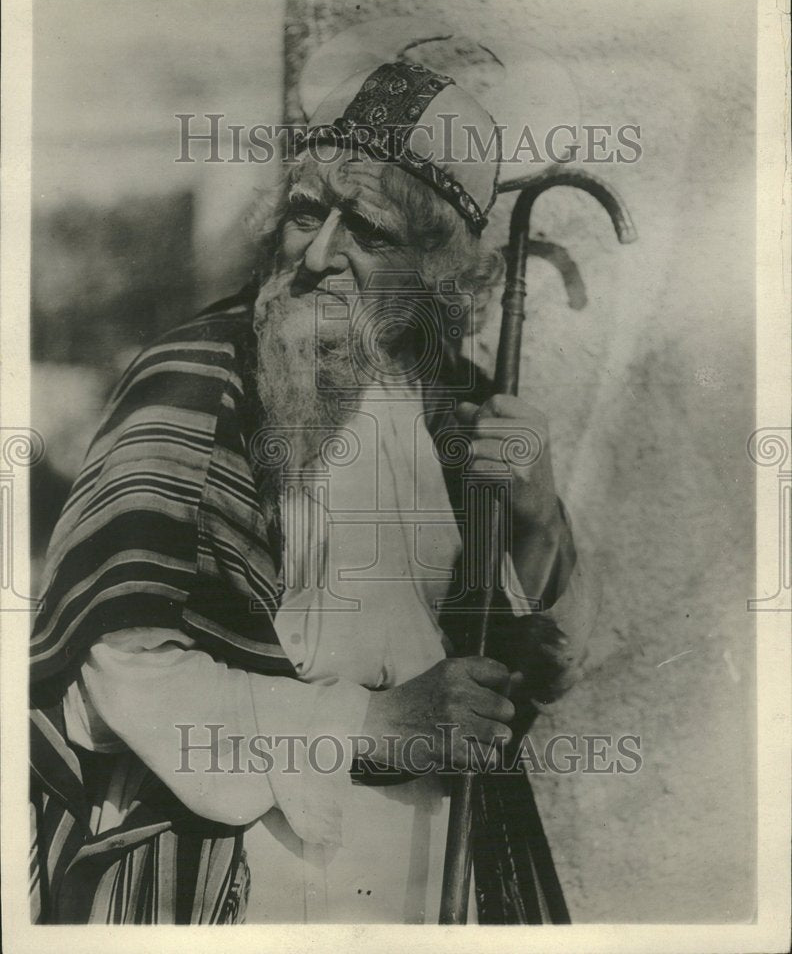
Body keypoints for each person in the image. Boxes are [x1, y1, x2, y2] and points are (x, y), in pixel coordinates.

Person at [29, 59, 593, 924]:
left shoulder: (463, 405)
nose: (319, 255)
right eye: (304, 214)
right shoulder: (196, 379)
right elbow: (122, 665)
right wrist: (368, 725)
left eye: (367, 231)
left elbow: (542, 668)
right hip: (239, 876)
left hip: (436, 871)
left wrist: (536, 521)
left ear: (437, 274)